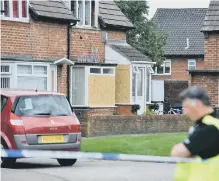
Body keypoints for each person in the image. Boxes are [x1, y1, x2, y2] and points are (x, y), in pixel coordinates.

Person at [171, 86, 219, 181]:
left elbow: (178, 152)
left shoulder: (208, 128)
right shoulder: (209, 123)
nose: (184, 112)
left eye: (186, 107)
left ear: (197, 104)